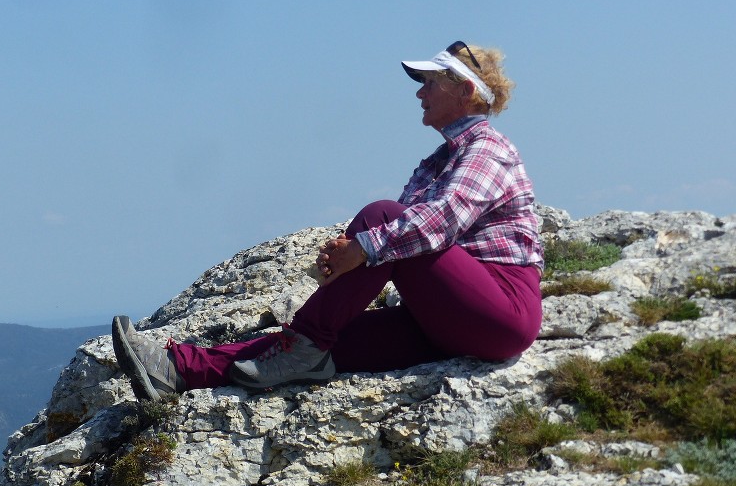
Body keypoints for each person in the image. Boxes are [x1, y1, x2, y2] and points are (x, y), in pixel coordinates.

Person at [113, 40, 543, 399]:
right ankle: (178, 371)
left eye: (430, 82)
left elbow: (436, 224)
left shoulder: (487, 148)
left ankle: (301, 344)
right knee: (318, 344)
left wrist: (359, 251)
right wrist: (348, 263)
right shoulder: (436, 162)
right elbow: (400, 248)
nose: (419, 93)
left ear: (465, 90)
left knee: (380, 216)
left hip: (500, 313)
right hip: (447, 316)